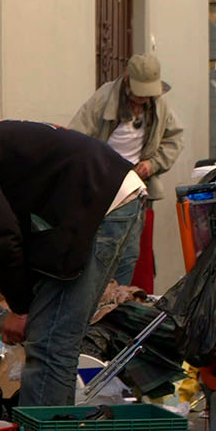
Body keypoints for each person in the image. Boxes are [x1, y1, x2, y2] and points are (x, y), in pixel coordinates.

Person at [0, 119, 146, 408]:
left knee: (50, 344)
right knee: (51, 341)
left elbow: (1, 237)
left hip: (98, 200)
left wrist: (20, 309)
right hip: (101, 192)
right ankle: (52, 430)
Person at [68, 54, 184, 290]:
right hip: (103, 188)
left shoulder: (158, 104)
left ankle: (120, 302)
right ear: (127, 79)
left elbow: (174, 138)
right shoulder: (103, 99)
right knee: (103, 250)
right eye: (139, 93)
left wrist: (152, 164)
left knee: (130, 254)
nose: (142, 100)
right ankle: (100, 300)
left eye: (147, 95)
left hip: (136, 188)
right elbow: (76, 139)